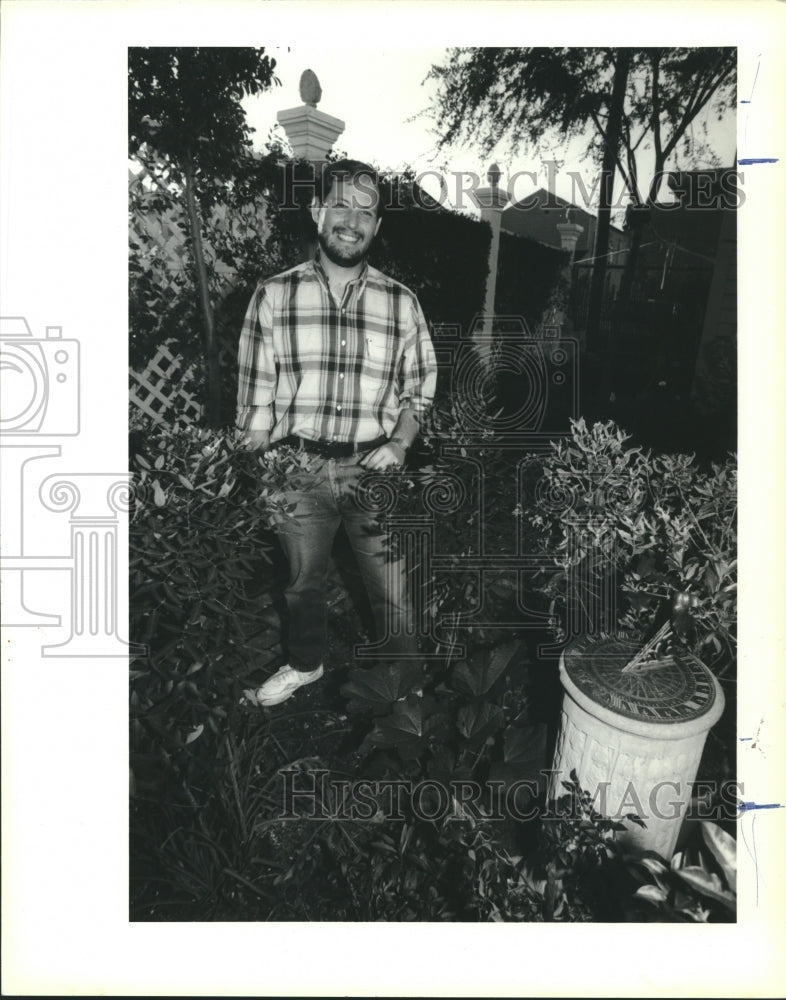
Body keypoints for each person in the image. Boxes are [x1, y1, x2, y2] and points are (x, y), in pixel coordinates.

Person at [237, 159, 437, 707]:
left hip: (373, 468)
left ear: (377, 227)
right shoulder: (273, 296)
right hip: (295, 470)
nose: (353, 220)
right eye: (342, 204)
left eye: (366, 211)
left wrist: (398, 443)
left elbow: (419, 389)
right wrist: (256, 473)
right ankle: (305, 664)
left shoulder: (401, 303)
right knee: (302, 585)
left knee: (393, 592)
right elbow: (255, 398)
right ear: (318, 211)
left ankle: (406, 687)